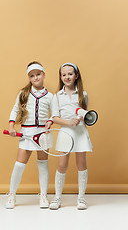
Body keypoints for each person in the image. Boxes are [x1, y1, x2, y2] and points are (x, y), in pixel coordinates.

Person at [5, 61, 53, 209]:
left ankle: (43, 196)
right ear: (29, 78)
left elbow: (55, 114)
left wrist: (49, 122)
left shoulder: (50, 96)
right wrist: (11, 126)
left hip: (43, 134)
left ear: (44, 75)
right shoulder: (23, 93)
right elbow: (15, 110)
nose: (36, 78)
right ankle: (11, 195)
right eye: (32, 76)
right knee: (19, 165)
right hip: (27, 133)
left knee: (43, 165)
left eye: (38, 74)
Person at [49, 62, 92, 210]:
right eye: (64, 74)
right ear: (60, 77)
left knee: (81, 164)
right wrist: (68, 122)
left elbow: (86, 114)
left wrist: (80, 119)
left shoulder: (83, 94)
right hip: (66, 132)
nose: (67, 77)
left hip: (80, 132)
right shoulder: (57, 96)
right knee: (62, 165)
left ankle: (81, 198)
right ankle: (57, 198)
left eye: (70, 74)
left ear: (76, 76)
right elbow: (54, 117)